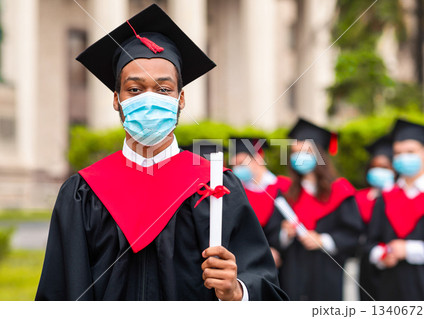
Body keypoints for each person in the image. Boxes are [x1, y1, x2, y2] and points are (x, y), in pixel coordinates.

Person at [35, 4, 287, 301]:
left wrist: (237, 291)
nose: (150, 99)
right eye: (135, 89)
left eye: (164, 90)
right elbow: (60, 291)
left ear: (181, 99)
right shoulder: (83, 193)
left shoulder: (217, 187)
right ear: (117, 100)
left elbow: (265, 286)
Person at [278, 118, 363, 301]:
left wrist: (323, 240)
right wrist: (284, 233)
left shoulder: (341, 192)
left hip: (327, 273)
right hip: (292, 274)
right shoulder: (286, 194)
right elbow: (271, 235)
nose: (299, 157)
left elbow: (353, 236)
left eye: (305, 152)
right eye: (294, 153)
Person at [367, 119, 424, 300]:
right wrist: (381, 255)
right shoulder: (385, 199)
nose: (403, 158)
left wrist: (409, 249)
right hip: (391, 292)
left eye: (410, 152)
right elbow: (369, 243)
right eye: (397, 153)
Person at [230, 137, 291, 268]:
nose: (237, 169)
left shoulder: (285, 188)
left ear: (258, 159)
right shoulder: (236, 193)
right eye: (234, 165)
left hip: (285, 264)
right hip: (246, 261)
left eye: (241, 163)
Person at [355, 135, 395, 301]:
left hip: (395, 260)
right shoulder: (359, 198)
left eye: (385, 167)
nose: (379, 171)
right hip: (368, 262)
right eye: (375, 166)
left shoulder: (398, 197)